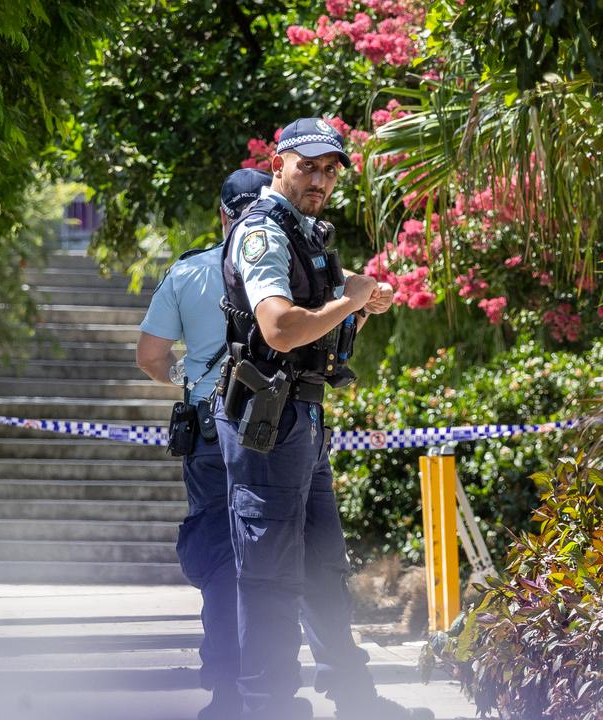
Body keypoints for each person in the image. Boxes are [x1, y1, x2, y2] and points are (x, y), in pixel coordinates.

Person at [215, 117, 432, 720]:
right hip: (266, 422)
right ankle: (268, 706)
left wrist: (356, 307)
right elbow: (280, 329)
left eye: (331, 168)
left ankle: (356, 699)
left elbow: (319, 337)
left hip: (301, 415)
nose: (321, 178)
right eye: (308, 164)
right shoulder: (262, 231)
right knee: (268, 577)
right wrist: (350, 298)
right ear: (279, 160)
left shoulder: (304, 232)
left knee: (322, 566)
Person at [136, 168, 273, 720]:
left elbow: (149, 355)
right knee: (273, 555)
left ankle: (225, 691)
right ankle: (270, 686)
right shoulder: (287, 269)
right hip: (273, 430)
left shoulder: (189, 271)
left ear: (222, 214)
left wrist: (185, 380)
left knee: (220, 556)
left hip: (208, 429)